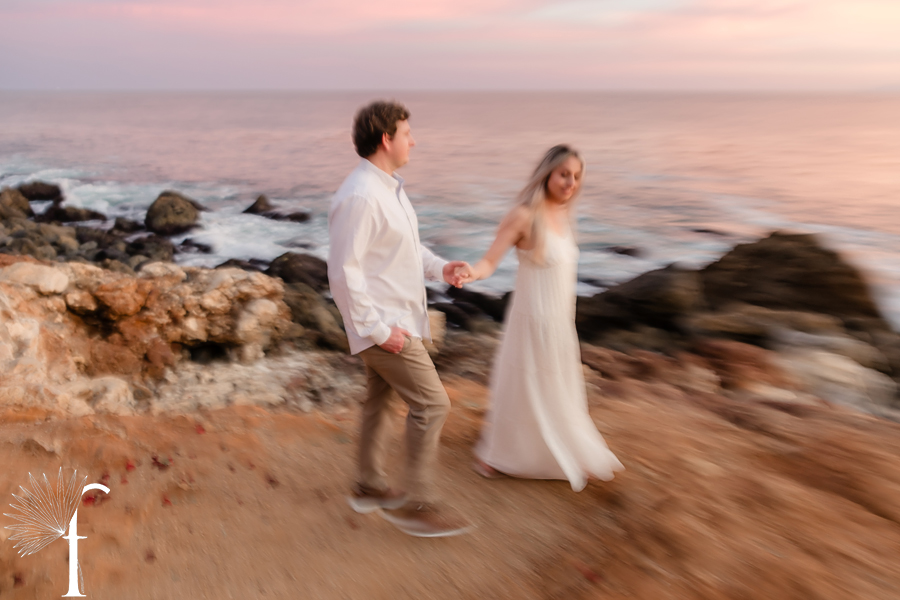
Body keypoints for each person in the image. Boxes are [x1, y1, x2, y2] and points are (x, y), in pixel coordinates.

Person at [327, 100, 472, 537]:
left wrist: (439, 268)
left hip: (396, 319)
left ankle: (369, 486)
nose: (414, 140)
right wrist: (376, 331)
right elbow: (343, 272)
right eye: (408, 133)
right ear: (386, 138)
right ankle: (418, 503)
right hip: (386, 326)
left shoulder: (386, 187)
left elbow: (403, 251)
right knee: (432, 404)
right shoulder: (360, 196)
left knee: (379, 401)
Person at [456, 145, 624, 491]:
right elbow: (490, 262)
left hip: (560, 321)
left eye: (577, 177)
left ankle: (565, 447)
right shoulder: (523, 215)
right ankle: (500, 453)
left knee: (557, 387)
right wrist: (469, 272)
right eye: (564, 174)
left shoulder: (564, 215)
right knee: (525, 387)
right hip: (532, 320)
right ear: (547, 173)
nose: (571, 183)